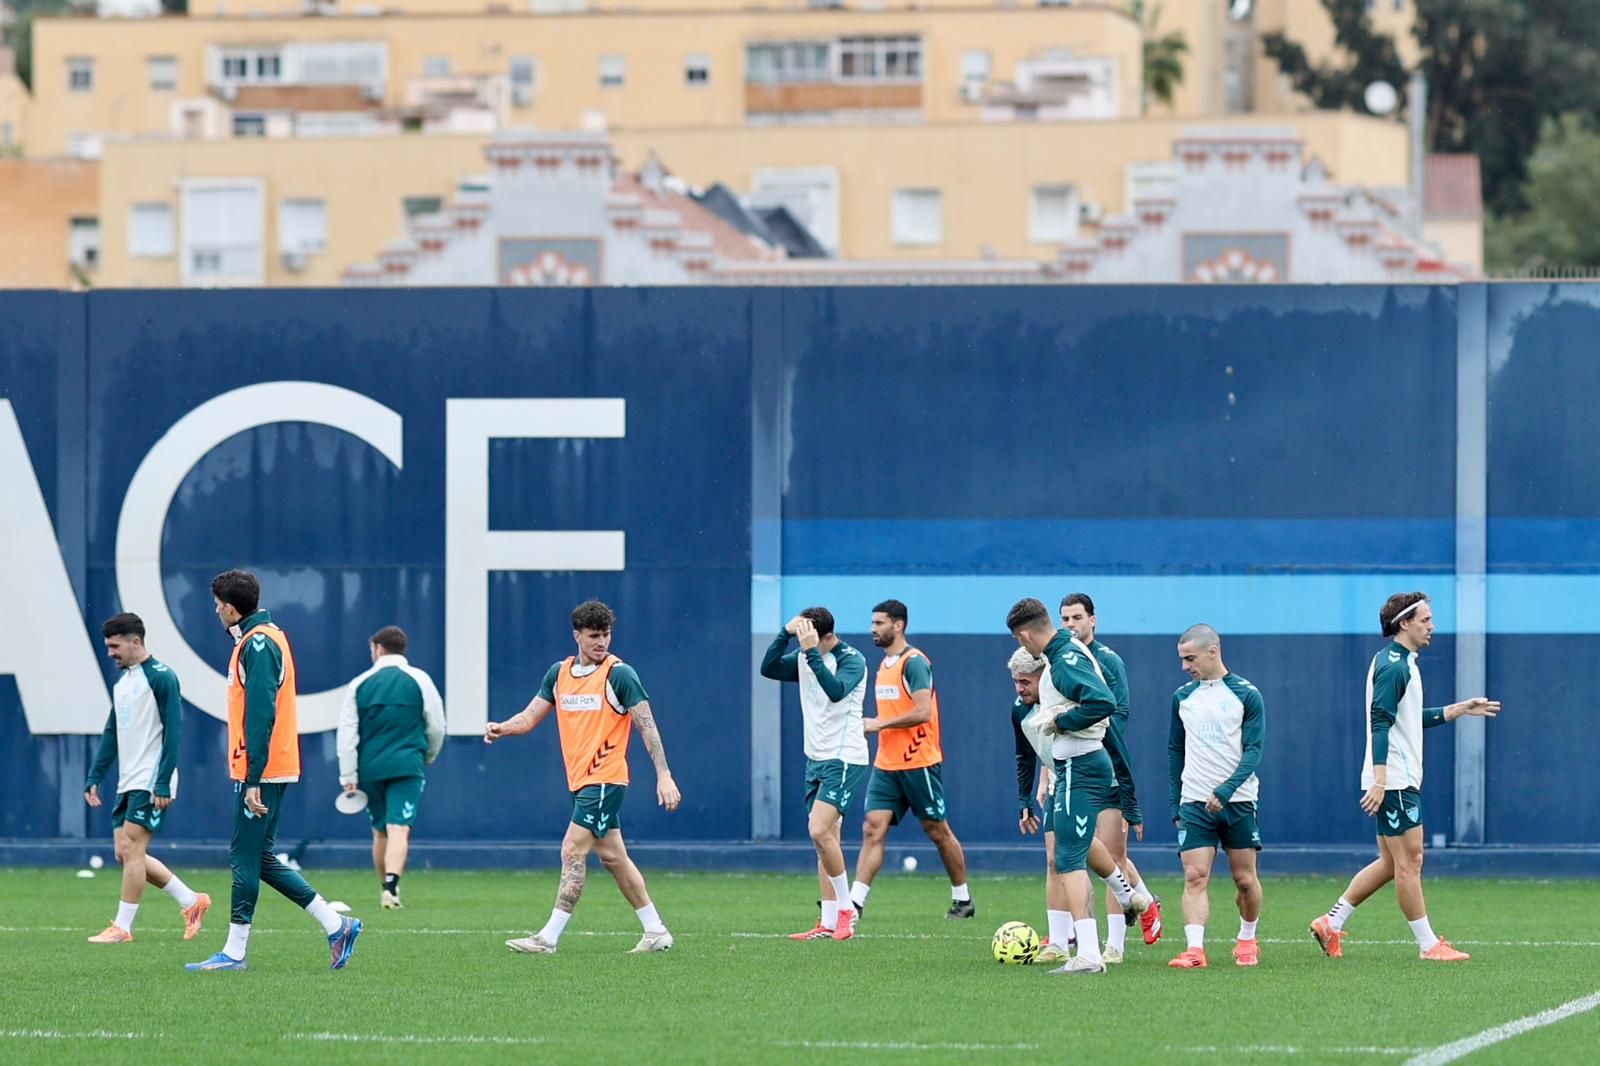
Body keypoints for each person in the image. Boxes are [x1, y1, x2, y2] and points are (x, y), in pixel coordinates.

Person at [186, 570, 362, 973]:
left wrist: (252, 778)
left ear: (231, 608)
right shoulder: (261, 638)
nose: (215, 612)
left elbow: (261, 715)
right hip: (268, 766)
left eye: (217, 605)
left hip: (262, 770)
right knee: (259, 857)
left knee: (243, 857)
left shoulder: (258, 644)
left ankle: (234, 953)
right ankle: (338, 926)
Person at [1310, 592, 1499, 963]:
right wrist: (1381, 781)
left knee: (1390, 863)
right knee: (1411, 862)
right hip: (1394, 781)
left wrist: (1458, 709)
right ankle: (1429, 946)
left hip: (1396, 778)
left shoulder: (1401, 662)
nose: (1432, 626)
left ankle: (1332, 922)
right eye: (1426, 620)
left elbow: (1404, 717)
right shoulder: (1395, 666)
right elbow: (1379, 721)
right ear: (1405, 624)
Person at [485, 600, 681, 955]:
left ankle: (548, 938)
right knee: (613, 857)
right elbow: (529, 718)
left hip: (605, 779)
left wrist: (663, 775)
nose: (601, 642)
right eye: (593, 635)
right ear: (576, 635)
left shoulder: (619, 674)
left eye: (606, 634)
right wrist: (503, 728)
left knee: (572, 849)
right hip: (580, 782)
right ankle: (655, 930)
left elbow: (646, 724)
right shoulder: (559, 673)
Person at [1007, 597, 1151, 975]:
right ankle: (1128, 895)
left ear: (1025, 635)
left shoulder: (1065, 661)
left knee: (1068, 859)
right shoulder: (1065, 654)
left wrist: (1061, 721)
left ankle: (1088, 953)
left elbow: (1102, 703)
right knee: (1076, 846)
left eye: (1021, 642)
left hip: (1078, 766)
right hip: (1074, 767)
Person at [83, 612, 211, 944]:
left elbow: (174, 731)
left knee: (133, 849)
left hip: (151, 778)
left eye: (114, 646)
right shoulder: (123, 682)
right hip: (129, 779)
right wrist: (96, 774)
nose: (110, 653)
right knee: (125, 854)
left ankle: (123, 928)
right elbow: (113, 730)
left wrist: (164, 780)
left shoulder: (162, 677)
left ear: (135, 641)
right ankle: (191, 900)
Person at [848, 600, 972, 920]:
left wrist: (876, 724)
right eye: (872, 623)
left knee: (937, 830)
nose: (873, 629)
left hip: (919, 761)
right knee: (872, 829)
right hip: (886, 764)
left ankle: (963, 899)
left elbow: (922, 712)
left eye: (879, 623)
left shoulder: (914, 662)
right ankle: (854, 904)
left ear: (898, 625)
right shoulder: (883, 665)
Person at [1059, 593, 1163, 958]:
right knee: (1084, 849)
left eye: (1076, 617)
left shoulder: (1107, 661)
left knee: (1113, 855)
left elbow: (1118, 715)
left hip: (1105, 765)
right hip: (1072, 765)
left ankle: (1114, 945)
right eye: (1065, 619)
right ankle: (1146, 900)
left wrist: (1082, 730)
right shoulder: (1061, 663)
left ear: (1093, 621)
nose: (1070, 625)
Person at [760, 606, 868, 941]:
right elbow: (769, 668)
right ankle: (828, 921)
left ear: (824, 636)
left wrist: (809, 651)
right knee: (826, 840)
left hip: (844, 757)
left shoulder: (853, 659)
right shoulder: (806, 657)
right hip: (816, 758)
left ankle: (847, 909)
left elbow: (836, 691)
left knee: (819, 831)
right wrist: (783, 633)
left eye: (807, 636)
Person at [1166, 623, 1266, 970]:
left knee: (1244, 878)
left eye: (1189, 658)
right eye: (1181, 659)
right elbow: (1175, 750)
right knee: (1195, 875)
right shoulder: (1182, 697)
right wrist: (1176, 800)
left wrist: (1225, 790)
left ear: (1213, 652)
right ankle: (1195, 950)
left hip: (1238, 802)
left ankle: (1247, 938)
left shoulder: (1246, 694)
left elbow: (1253, 751)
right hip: (1194, 802)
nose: (1184, 666)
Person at [337, 625, 445, 910]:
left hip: (370, 768)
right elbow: (436, 724)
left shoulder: (360, 683)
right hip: (408, 765)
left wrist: (348, 775)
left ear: (378, 648)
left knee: (380, 831)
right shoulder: (420, 679)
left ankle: (385, 886)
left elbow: (347, 734)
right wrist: (429, 753)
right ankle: (392, 887)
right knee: (400, 828)